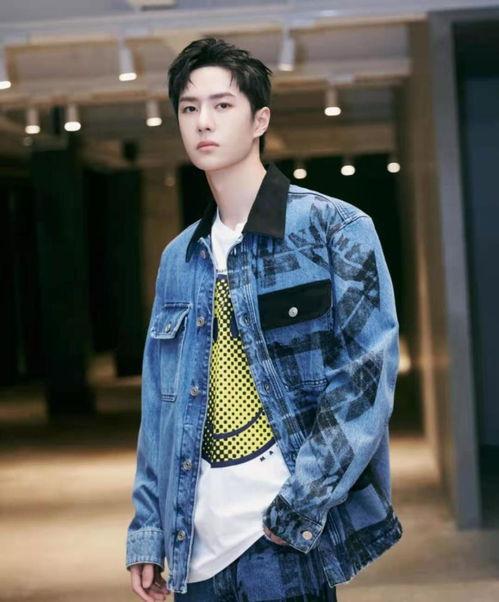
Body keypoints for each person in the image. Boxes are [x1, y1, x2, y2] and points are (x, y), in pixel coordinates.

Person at [126, 37, 403, 601]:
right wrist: (149, 530)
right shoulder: (179, 258)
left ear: (260, 120)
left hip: (282, 540)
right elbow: (159, 405)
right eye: (189, 107)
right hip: (194, 549)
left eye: (222, 104)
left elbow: (365, 379)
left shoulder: (334, 229)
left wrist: (299, 504)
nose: (203, 121)